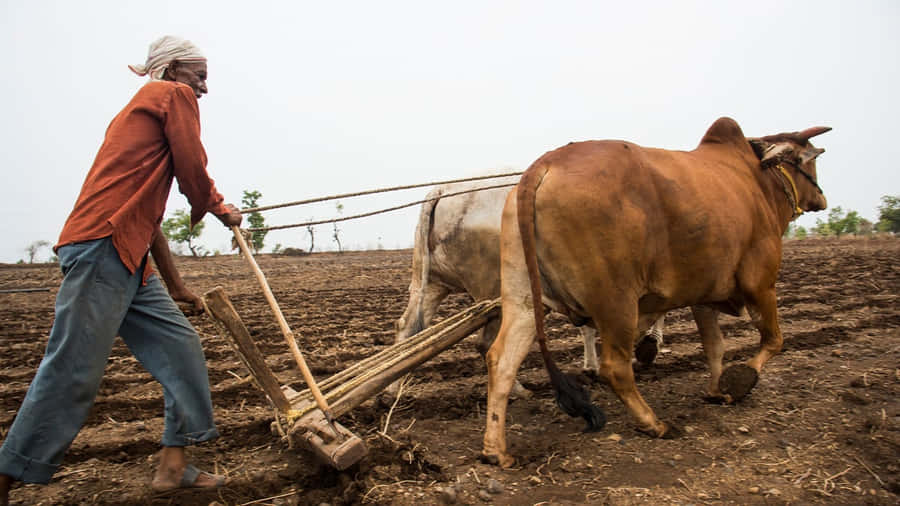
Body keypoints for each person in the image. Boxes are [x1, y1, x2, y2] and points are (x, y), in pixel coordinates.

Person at [0, 36, 241, 504]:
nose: (204, 88)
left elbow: (148, 223)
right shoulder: (171, 96)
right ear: (172, 70)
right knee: (73, 368)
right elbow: (193, 167)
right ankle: (6, 475)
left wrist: (177, 285)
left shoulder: (145, 118)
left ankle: (173, 467)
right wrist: (217, 207)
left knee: (181, 347)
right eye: (200, 76)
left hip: (128, 254)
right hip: (102, 249)